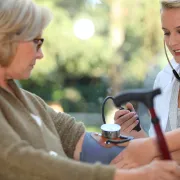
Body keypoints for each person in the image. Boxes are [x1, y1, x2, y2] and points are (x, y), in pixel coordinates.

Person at [0, 0, 180, 180]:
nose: (41, 54)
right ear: (7, 40)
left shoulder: (29, 102)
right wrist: (130, 174)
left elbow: (77, 139)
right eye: (36, 42)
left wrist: (145, 149)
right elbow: (20, 161)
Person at [114, 0, 180, 138]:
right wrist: (136, 134)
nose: (172, 42)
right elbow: (160, 150)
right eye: (166, 33)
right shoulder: (164, 79)